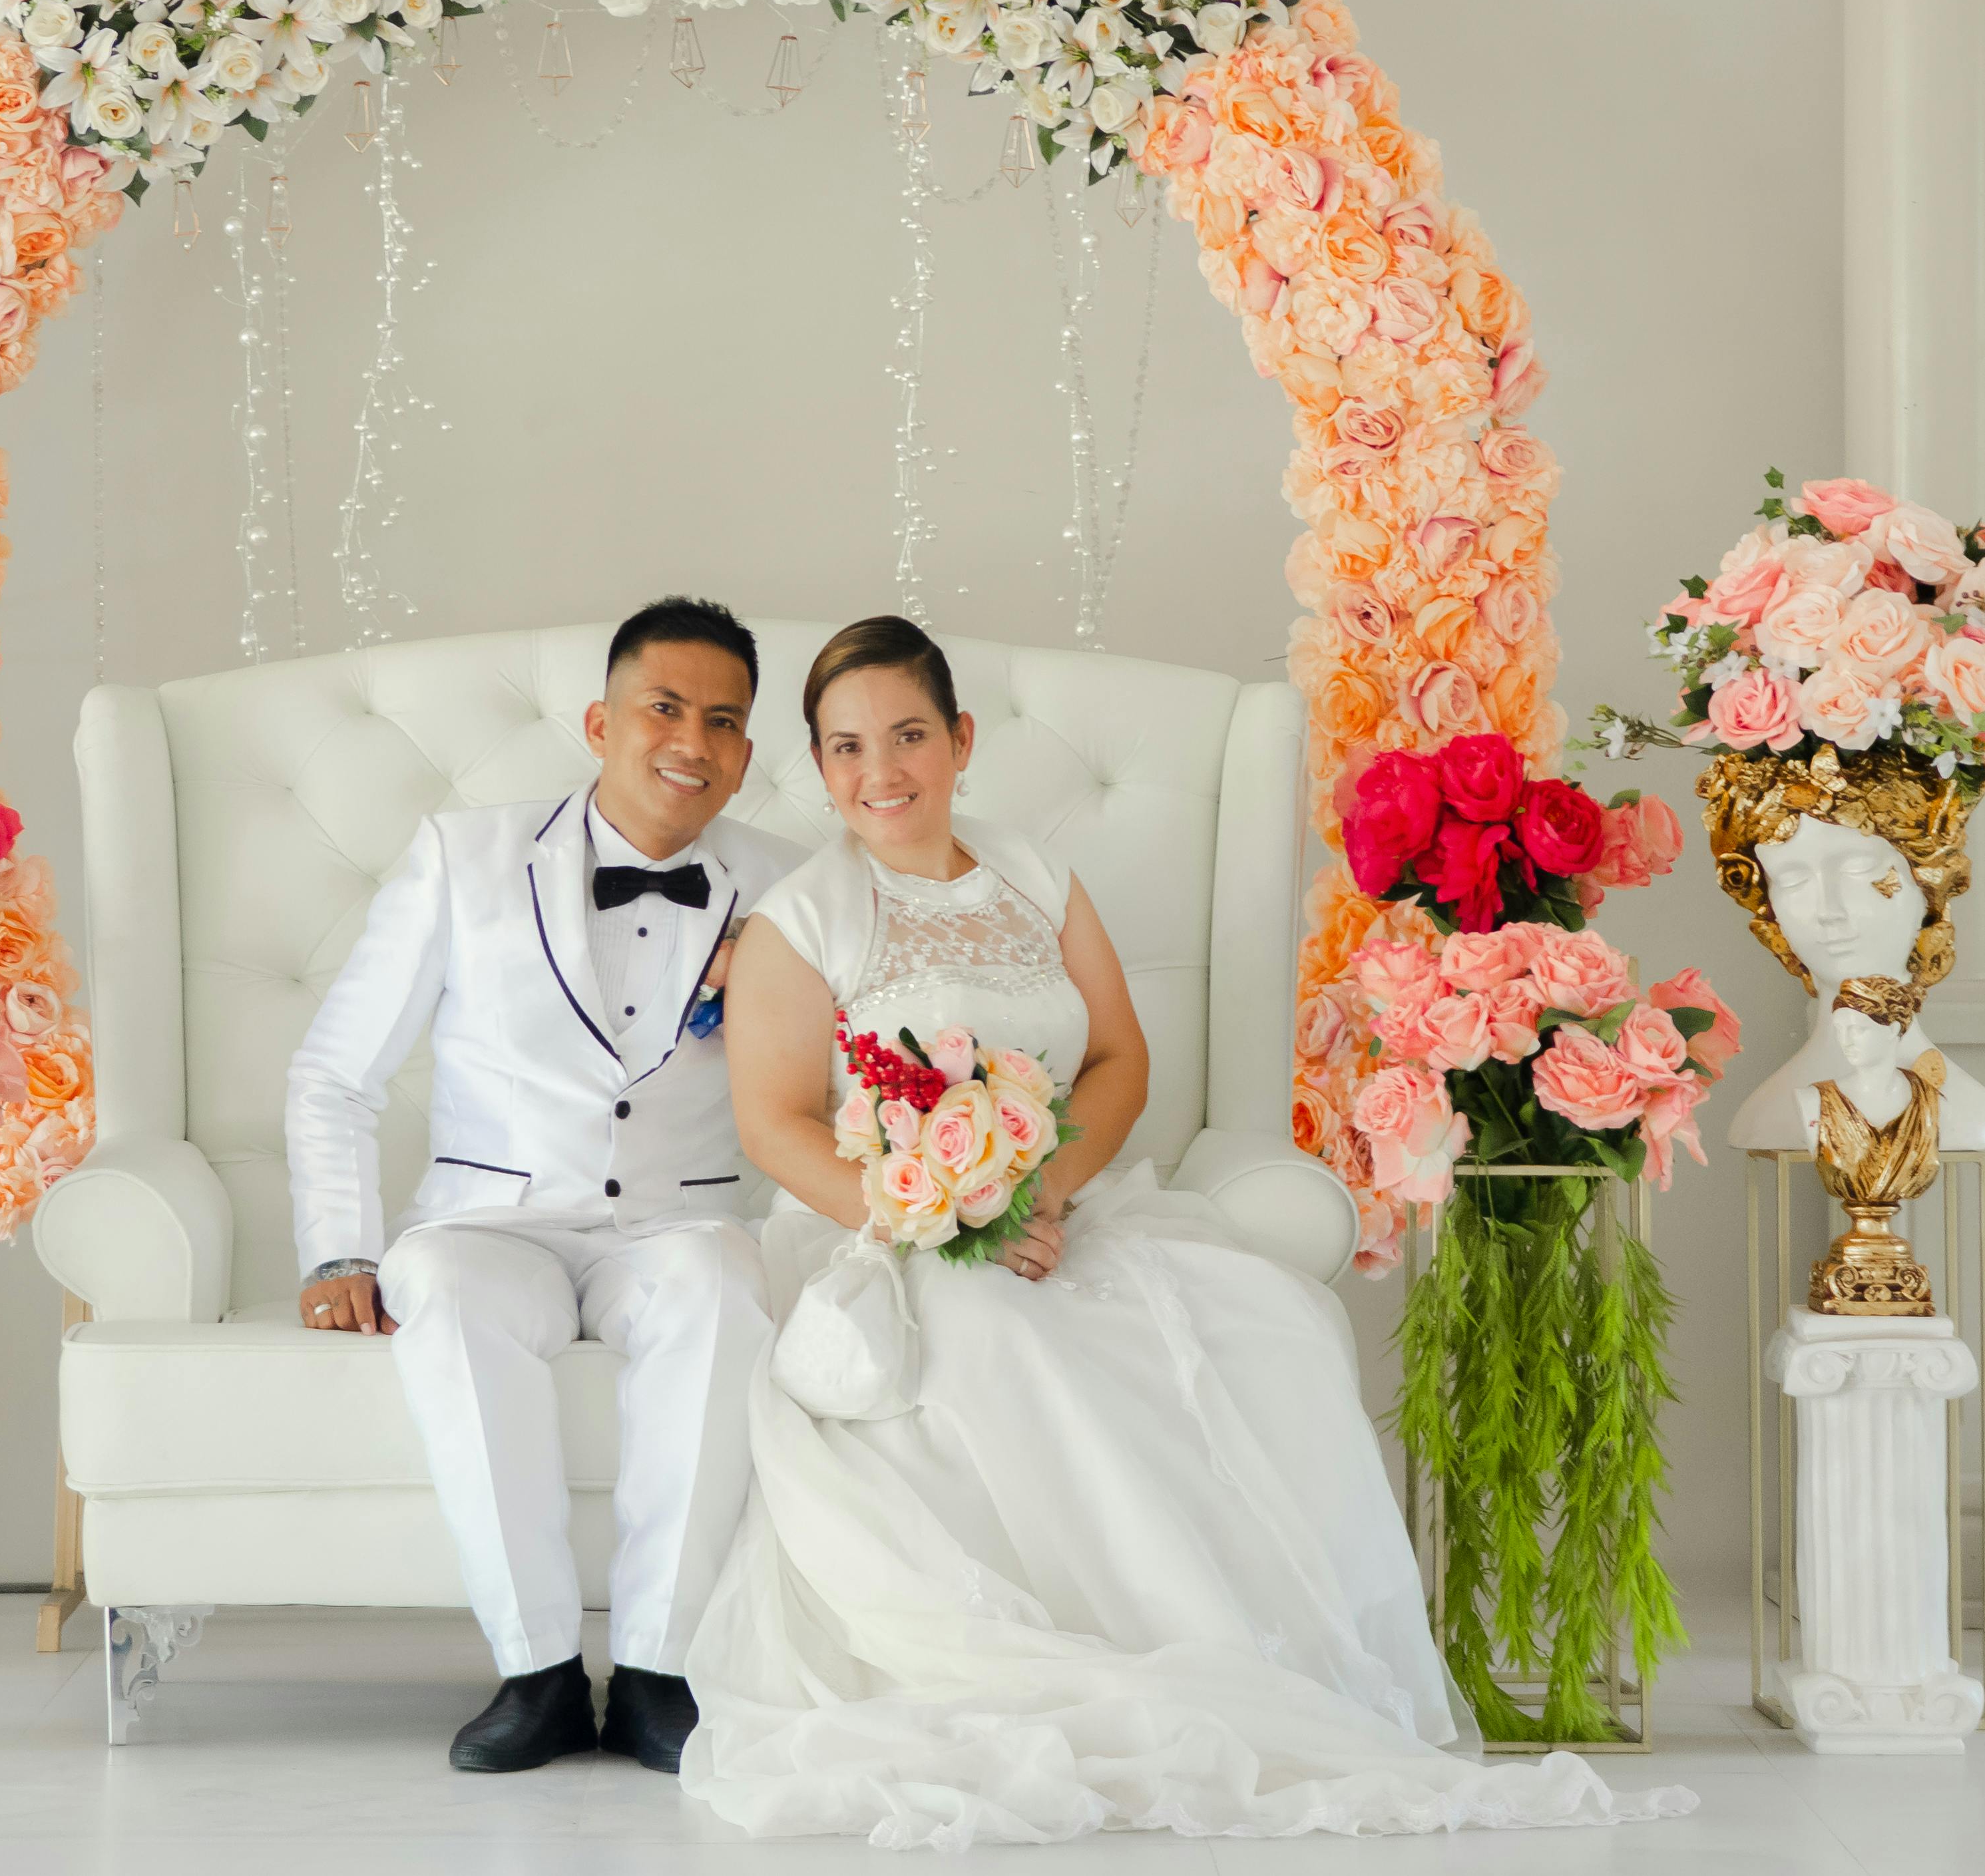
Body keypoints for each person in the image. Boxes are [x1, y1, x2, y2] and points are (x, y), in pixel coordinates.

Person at [678, 616, 1697, 1847]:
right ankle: (1131, 1667)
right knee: (1001, 1332)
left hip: (1060, 1204)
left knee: (1270, 1320)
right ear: (819, 762)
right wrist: (940, 1216)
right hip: (884, 1234)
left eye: (905, 736)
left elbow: (1118, 1056)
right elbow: (778, 1123)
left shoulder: (1033, 875)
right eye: (844, 747)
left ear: (959, 740)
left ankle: (1261, 1667)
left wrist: (1042, 1189)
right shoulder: (805, 915)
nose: (877, 772)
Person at [282, 597, 801, 1774]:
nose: (691, 740)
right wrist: (338, 1250)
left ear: (747, 754)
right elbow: (335, 1072)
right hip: (488, 1219)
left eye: (723, 721)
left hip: (678, 1217)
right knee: (447, 1296)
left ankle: (663, 1671)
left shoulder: (791, 885)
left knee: (725, 1284)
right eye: (663, 706)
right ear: (598, 721)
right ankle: (540, 1671)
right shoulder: (461, 855)